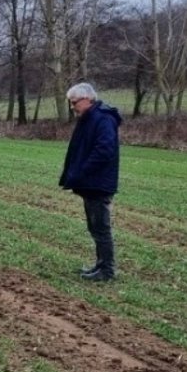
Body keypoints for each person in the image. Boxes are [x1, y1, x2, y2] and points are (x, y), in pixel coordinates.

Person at [59, 82, 121, 282]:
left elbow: (104, 150)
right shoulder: (90, 118)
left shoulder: (102, 119)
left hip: (98, 183)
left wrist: (83, 171)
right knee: (95, 227)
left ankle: (107, 271)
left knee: (101, 228)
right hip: (91, 183)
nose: (72, 107)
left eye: (74, 102)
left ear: (87, 99)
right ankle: (100, 266)